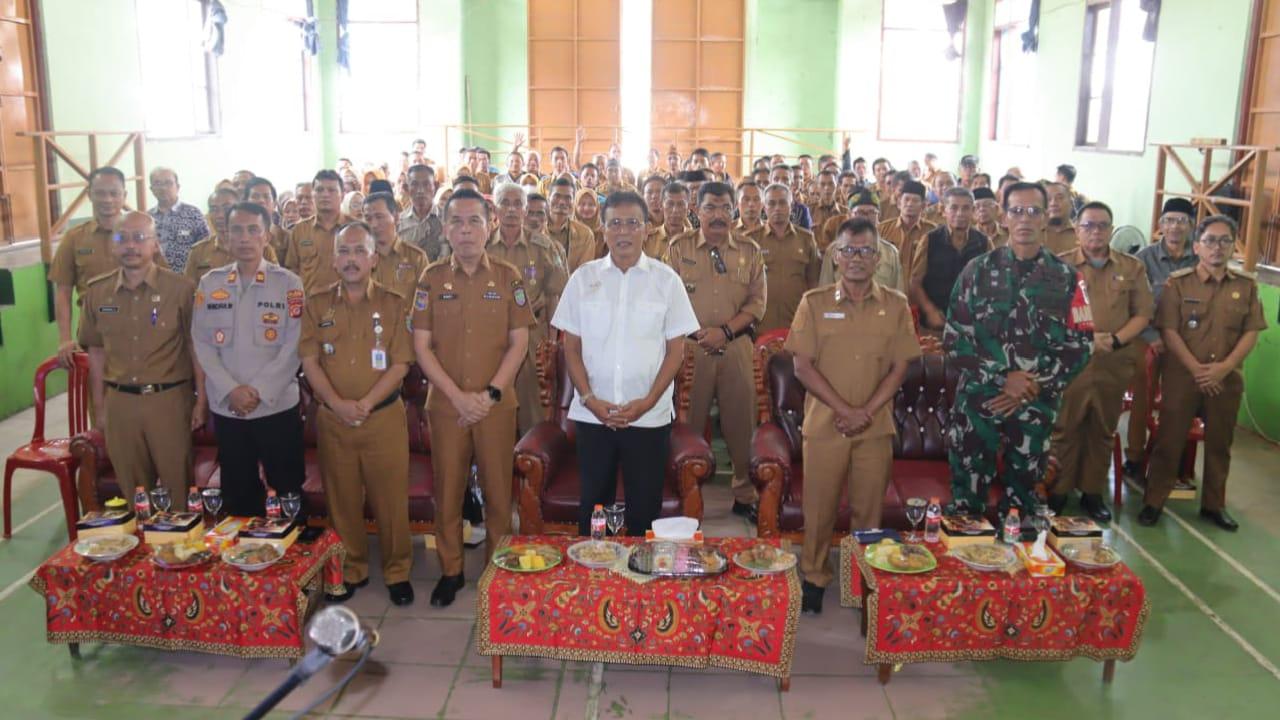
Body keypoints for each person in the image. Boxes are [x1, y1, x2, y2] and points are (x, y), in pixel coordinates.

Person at [787, 218, 920, 614]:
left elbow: (900, 368)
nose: (856, 259)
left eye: (865, 251)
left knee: (869, 510)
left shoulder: (895, 306)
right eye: (848, 251)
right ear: (835, 256)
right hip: (826, 425)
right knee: (819, 507)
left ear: (878, 258)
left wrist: (866, 411)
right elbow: (802, 367)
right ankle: (813, 575)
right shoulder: (814, 302)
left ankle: (863, 577)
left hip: (875, 427)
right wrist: (846, 411)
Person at [552, 191, 700, 535]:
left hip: (649, 418)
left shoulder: (667, 281)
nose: (624, 232)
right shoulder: (582, 279)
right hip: (593, 415)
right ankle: (595, 578)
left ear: (647, 229)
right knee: (595, 507)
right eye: (615, 223)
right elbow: (569, 347)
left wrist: (647, 403)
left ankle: (638, 583)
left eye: (632, 223)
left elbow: (676, 351)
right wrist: (589, 398)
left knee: (644, 506)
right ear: (603, 230)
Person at [412, 189, 533, 607]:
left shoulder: (507, 276)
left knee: (499, 494)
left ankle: (496, 570)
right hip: (447, 407)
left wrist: (490, 393)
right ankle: (450, 570)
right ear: (445, 228)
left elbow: (519, 341)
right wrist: (458, 398)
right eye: (457, 222)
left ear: (490, 224)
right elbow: (422, 346)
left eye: (474, 221)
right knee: (447, 492)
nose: (466, 231)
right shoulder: (430, 278)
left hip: (496, 406)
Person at [944, 182, 1093, 513]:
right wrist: (1002, 379)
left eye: (1033, 211)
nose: (1024, 219)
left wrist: (1029, 386)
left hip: (1034, 409)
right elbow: (955, 338)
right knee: (967, 510)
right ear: (1003, 216)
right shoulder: (976, 271)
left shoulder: (1069, 279)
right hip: (979, 406)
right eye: (1016, 211)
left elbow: (1080, 346)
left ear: (1044, 218)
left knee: (1023, 509)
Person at [300, 222, 415, 605]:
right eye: (344, 252)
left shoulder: (394, 303)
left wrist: (364, 404)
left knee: (391, 502)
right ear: (334, 259)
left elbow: (401, 363)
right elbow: (309, 361)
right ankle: (351, 569)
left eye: (359, 251)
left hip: (382, 417)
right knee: (342, 499)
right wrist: (336, 403)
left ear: (374, 258)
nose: (351, 260)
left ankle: (398, 571)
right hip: (333, 421)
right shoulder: (316, 304)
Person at [1138, 215, 1266, 530]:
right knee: (1170, 441)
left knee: (1220, 444)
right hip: (1183, 377)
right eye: (1209, 240)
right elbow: (1168, 329)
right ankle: (1154, 500)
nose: (1217, 247)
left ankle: (1214, 504)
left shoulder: (1246, 287)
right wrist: (1197, 369)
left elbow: (1251, 332)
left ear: (1233, 246)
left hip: (1225, 379)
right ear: (1197, 246)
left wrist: (1223, 368)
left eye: (1225, 240)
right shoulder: (1178, 284)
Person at [191, 202, 306, 518]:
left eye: (253, 229)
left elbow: (295, 345)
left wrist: (259, 391)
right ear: (226, 236)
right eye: (236, 230)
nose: (245, 238)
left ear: (266, 235)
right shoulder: (209, 284)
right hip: (228, 409)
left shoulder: (289, 284)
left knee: (288, 494)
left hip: (276, 407)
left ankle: (296, 565)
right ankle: (246, 563)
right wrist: (232, 390)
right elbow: (201, 342)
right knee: (239, 497)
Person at [79, 212, 200, 508]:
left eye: (139, 238)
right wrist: (100, 408)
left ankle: (180, 551)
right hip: (120, 403)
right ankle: (142, 552)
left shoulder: (181, 290)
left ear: (155, 244)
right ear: (112, 245)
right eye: (122, 238)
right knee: (136, 497)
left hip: (168, 401)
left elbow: (195, 347)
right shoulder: (97, 292)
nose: (130, 246)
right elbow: (95, 352)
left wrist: (202, 401)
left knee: (177, 492)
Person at [666, 182, 766, 521]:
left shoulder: (749, 251)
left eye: (725, 207)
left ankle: (744, 493)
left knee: (741, 424)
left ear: (734, 210)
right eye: (710, 207)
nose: (718, 215)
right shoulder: (679, 248)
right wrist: (699, 333)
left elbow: (756, 303)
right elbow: (668, 298)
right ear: (697, 210)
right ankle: (686, 492)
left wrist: (724, 331)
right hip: (691, 350)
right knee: (688, 424)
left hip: (736, 346)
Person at [1049, 202, 1154, 522]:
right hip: (1072, 362)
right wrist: (1085, 342)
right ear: (1077, 229)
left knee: (1103, 428)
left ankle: (1092, 492)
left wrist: (1116, 339)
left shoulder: (1131, 267)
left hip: (1114, 360)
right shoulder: (1061, 266)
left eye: (1102, 225)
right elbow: (1049, 314)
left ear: (1111, 229)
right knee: (1064, 428)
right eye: (1089, 225)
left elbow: (1143, 313)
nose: (1095, 231)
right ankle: (1058, 490)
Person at [51, 167, 166, 367]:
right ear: (89, 195)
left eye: (114, 193)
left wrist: (158, 325)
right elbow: (63, 291)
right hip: (95, 333)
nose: (107, 199)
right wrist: (65, 339)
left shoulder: (144, 234)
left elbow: (164, 284)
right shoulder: (74, 238)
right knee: (98, 393)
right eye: (100, 193)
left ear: (124, 195)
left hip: (144, 331)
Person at [1125, 197, 1200, 479]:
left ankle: (1169, 458)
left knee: (1177, 402)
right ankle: (1134, 456)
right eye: (1169, 220)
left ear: (1191, 226)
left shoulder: (1200, 258)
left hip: (1186, 345)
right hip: (1148, 341)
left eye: (1182, 221)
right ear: (1160, 225)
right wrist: (1150, 335)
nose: (1175, 227)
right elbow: (1132, 303)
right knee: (1141, 401)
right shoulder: (1143, 259)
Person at [486, 183, 569, 435]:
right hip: (490, 334)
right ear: (495, 209)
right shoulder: (483, 244)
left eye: (517, 204)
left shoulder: (543, 247)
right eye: (505, 203)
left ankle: (530, 459)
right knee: (493, 398)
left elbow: (556, 294)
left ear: (525, 210)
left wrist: (553, 341)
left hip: (532, 334)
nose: (511, 210)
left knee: (532, 400)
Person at [911, 187, 992, 333]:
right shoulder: (930, 240)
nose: (959, 213)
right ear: (944, 210)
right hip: (934, 324)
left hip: (972, 325)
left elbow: (992, 285)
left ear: (973, 211)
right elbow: (915, 283)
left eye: (966, 208)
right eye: (954, 208)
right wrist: (930, 311)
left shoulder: (984, 243)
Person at [747, 183, 821, 333]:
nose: (777, 208)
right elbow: (742, 285)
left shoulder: (806, 239)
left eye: (782, 202)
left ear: (791, 206)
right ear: (764, 207)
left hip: (797, 325)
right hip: (760, 326)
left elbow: (813, 282)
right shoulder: (751, 240)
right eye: (771, 203)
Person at [818, 190, 904, 293]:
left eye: (872, 213)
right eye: (860, 212)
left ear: (878, 216)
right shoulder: (834, 250)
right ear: (849, 215)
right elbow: (825, 292)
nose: (866, 217)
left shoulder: (891, 253)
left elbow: (898, 295)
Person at [185, 191, 279, 282]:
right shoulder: (199, 251)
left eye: (226, 208)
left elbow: (276, 284)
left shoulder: (262, 249)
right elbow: (190, 291)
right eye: (214, 210)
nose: (220, 215)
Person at [285, 170, 351, 293]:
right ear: (313, 195)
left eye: (331, 190)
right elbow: (292, 270)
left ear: (342, 196)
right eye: (319, 190)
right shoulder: (300, 230)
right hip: (309, 306)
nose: (325, 195)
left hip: (347, 306)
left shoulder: (356, 228)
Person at [365, 191, 430, 301]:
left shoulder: (416, 258)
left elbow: (425, 300)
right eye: (368, 218)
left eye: (379, 217)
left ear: (396, 217)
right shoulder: (362, 259)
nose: (374, 224)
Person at [148, 167, 210, 273]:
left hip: (186, 279)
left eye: (168, 183)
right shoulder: (147, 219)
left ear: (177, 187)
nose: (163, 188)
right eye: (157, 184)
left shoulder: (193, 213)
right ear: (151, 189)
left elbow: (205, 248)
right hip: (154, 279)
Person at [877, 180, 935, 279]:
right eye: (906, 199)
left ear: (924, 206)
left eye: (915, 201)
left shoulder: (932, 231)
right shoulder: (882, 229)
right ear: (899, 203)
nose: (909, 204)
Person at [546, 177, 599, 272]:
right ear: (548, 198)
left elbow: (583, 274)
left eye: (568, 198)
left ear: (574, 202)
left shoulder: (585, 235)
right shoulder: (535, 231)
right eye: (557, 196)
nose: (562, 202)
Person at [397, 164, 447, 261]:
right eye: (414, 185)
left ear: (435, 187)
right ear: (407, 188)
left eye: (426, 184)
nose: (420, 191)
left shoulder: (447, 219)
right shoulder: (398, 223)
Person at [243, 178, 289, 263]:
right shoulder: (239, 237)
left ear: (274, 204)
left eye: (266, 197)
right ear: (245, 202)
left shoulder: (286, 237)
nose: (261, 201)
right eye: (255, 196)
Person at [645, 182, 692, 258]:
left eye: (680, 204)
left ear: (688, 208)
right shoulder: (648, 240)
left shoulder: (696, 241)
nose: (675, 210)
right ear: (661, 206)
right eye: (670, 204)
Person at [808, 170, 842, 248]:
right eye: (822, 184)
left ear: (837, 186)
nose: (827, 188)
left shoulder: (845, 212)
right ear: (817, 186)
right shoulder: (809, 210)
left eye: (831, 184)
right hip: (815, 256)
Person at [1043, 182, 1077, 254]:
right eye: (1048, 199)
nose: (1053, 203)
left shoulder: (1081, 235)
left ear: (1071, 203)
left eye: (1059, 198)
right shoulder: (1033, 233)